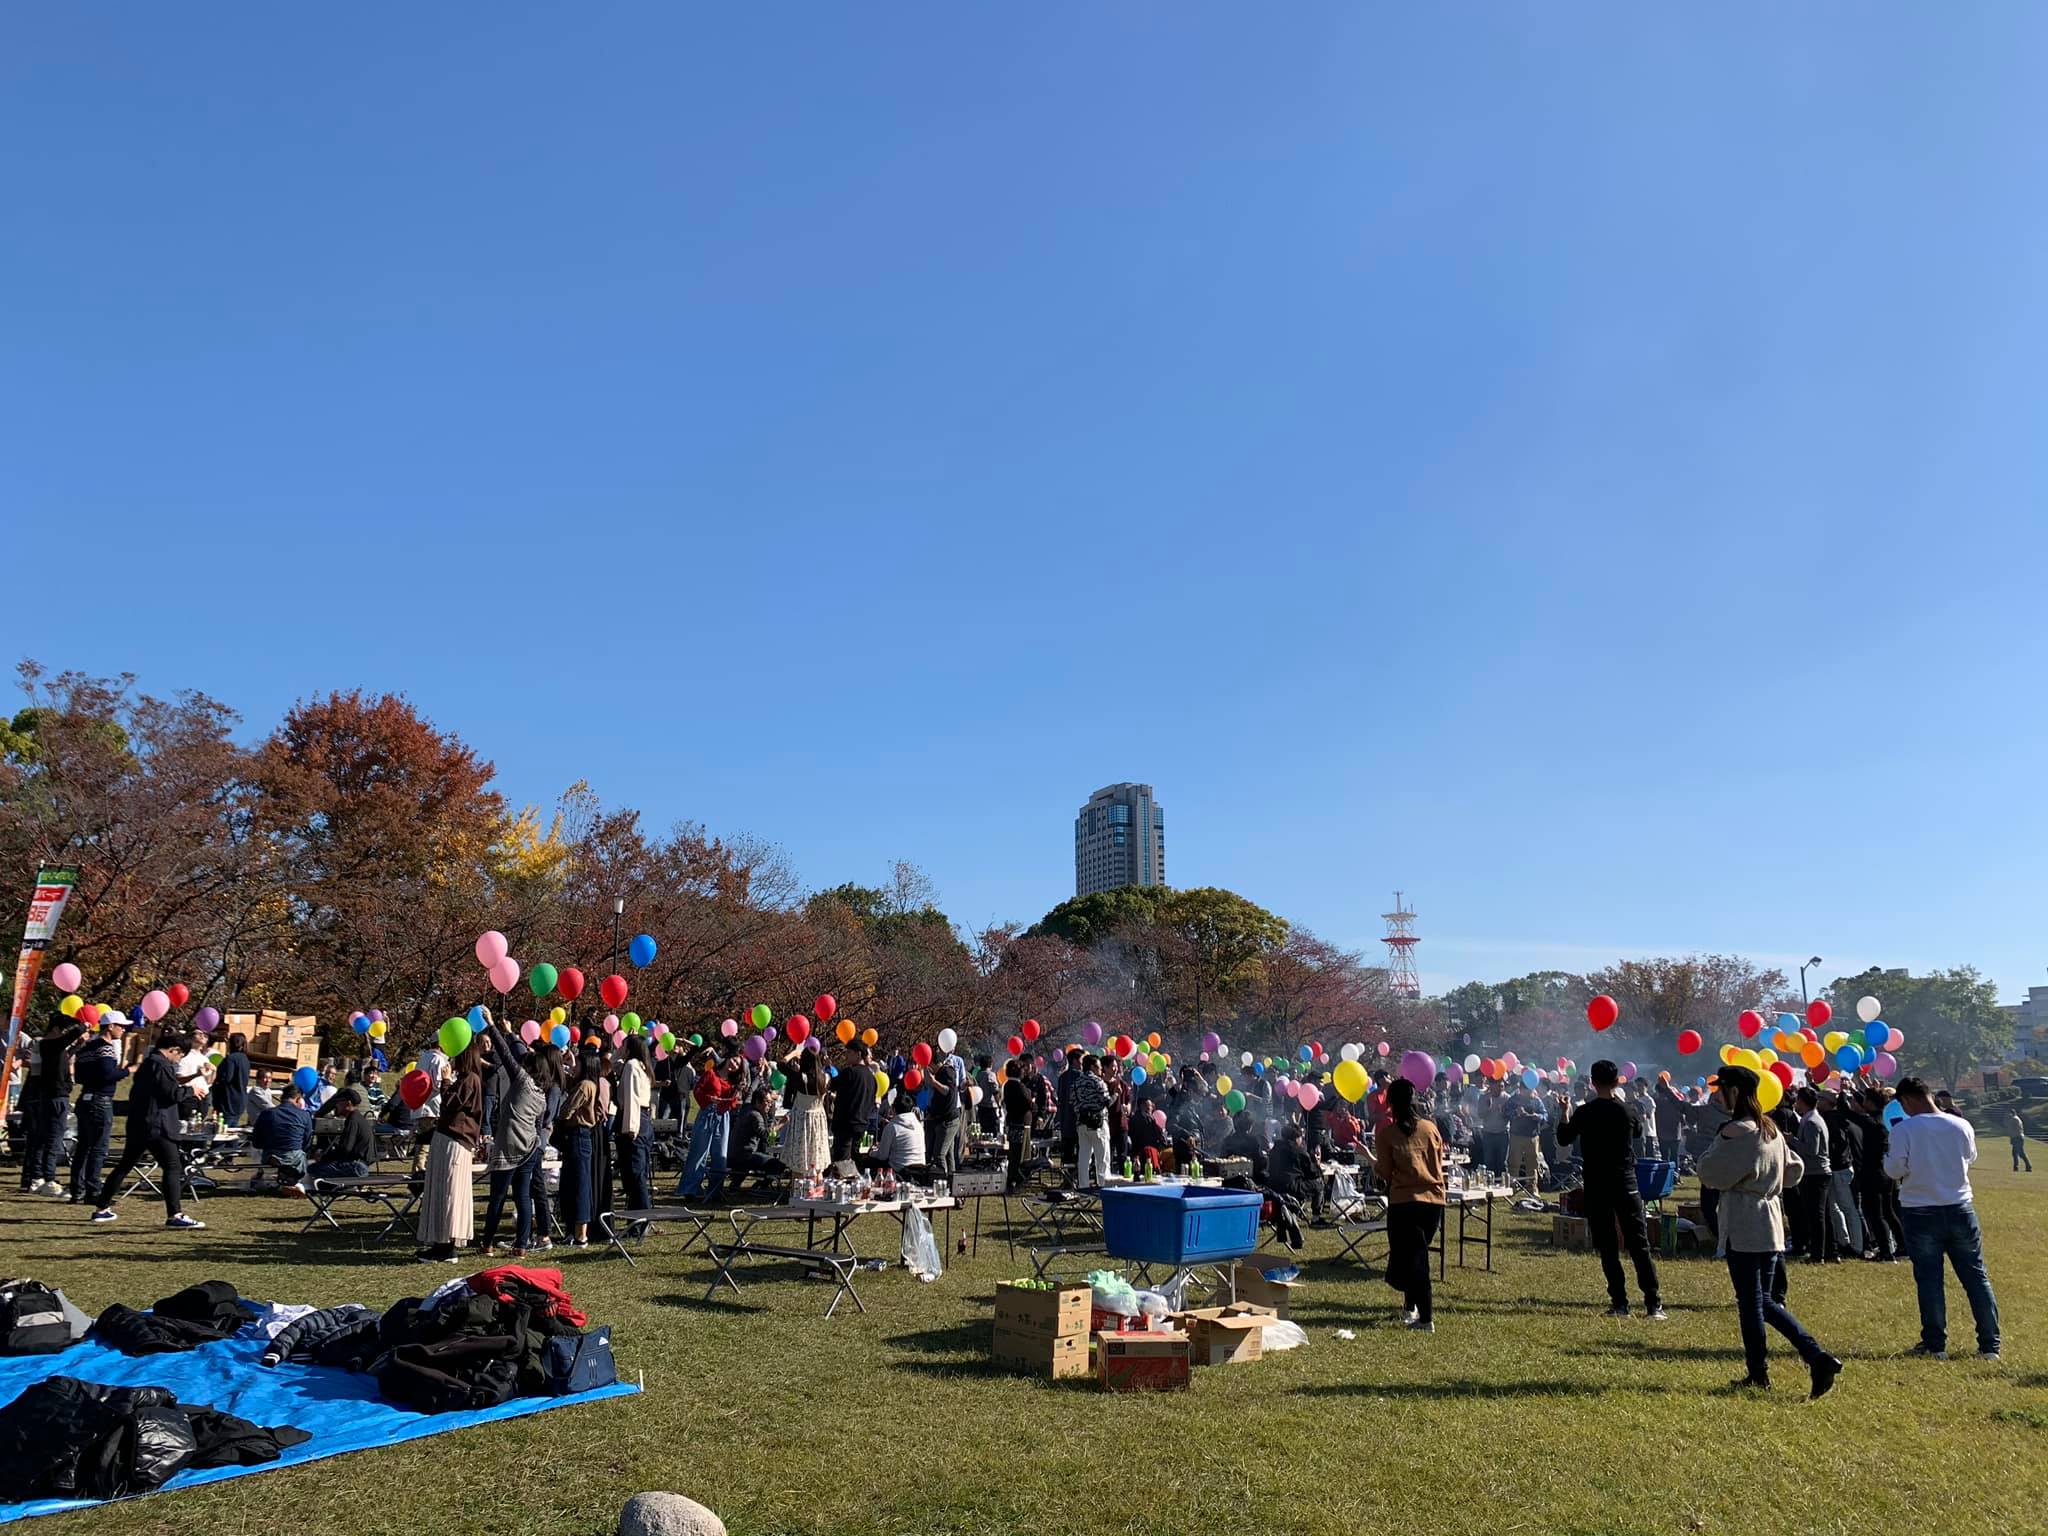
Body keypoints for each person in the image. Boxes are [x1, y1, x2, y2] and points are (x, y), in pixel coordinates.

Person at [1697, 1066, 1841, 1397]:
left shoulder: (1736, 1131)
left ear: (1735, 1092)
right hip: (1771, 1222)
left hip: (1746, 1223)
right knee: (1760, 1299)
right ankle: (1774, 1368)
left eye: (1722, 1089)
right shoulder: (1770, 1128)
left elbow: (1709, 1173)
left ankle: (1804, 1358)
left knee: (1754, 1302)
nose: (1718, 1095)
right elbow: (1794, 1171)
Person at [1884, 1076, 2000, 1361]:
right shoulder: (1961, 1124)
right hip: (1959, 1206)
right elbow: (1969, 1157)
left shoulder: (1905, 1130)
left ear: (1908, 1100)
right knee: (1975, 1277)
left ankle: (1936, 1344)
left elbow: (1895, 1169)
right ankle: (1990, 1344)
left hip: (1920, 1209)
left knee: (1929, 1280)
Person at [1555, 1061, 1665, 1320]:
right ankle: (1653, 1304)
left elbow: (1563, 1138)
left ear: (1593, 1083)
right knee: (1639, 1244)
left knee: (1608, 1246)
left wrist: (1565, 1111)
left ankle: (1620, 1304)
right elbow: (1638, 1133)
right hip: (1626, 1183)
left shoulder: (1586, 1112)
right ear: (1617, 1082)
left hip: (1597, 1184)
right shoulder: (1627, 1111)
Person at [90, 1033, 209, 1230]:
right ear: (174, 1050)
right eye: (179, 1056)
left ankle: (101, 1208)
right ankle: (175, 1215)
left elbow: (164, 1087)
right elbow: (171, 1094)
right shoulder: (161, 1064)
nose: (178, 1060)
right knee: (172, 1167)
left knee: (125, 1165)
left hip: (140, 1123)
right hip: (158, 1125)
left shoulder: (148, 1064)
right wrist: (191, 1091)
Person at [1373, 1078, 1446, 1332]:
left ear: (1391, 1103)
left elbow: (1384, 1171)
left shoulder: (1387, 1134)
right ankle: (1409, 1308)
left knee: (1414, 1261)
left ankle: (1426, 1319)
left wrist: (1371, 1161)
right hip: (1433, 1201)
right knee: (1415, 1255)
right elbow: (1438, 1161)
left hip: (1404, 1203)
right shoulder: (1430, 1128)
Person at [480, 1013, 553, 1258]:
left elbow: (507, 1055)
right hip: (530, 1147)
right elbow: (539, 1124)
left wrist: (492, 1026)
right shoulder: (542, 1097)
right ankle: (521, 1245)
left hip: (510, 1147)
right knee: (523, 1197)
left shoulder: (522, 1081)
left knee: (498, 1197)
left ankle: (487, 1242)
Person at [415, 1033, 483, 1263]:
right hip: (449, 1139)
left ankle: (446, 1245)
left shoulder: (469, 1079)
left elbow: (451, 1103)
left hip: (455, 1141)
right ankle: (439, 1242)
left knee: (449, 1193)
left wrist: (445, 1081)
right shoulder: (467, 1079)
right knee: (444, 1191)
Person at [19, 1018, 83, 1195]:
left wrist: (77, 1046)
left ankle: (37, 1177)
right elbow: (71, 1036)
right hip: (55, 1098)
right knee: (53, 1140)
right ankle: (49, 1178)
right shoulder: (49, 1045)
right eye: (64, 1032)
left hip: (51, 1097)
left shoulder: (53, 1049)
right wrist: (85, 1023)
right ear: (56, 1029)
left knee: (42, 1139)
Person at [68, 1019, 128, 1207]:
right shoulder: (106, 1048)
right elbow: (108, 1075)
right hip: (100, 1100)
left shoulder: (86, 1048)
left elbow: (78, 1076)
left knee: (83, 1147)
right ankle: (93, 1190)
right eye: (121, 1026)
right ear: (110, 1026)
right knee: (98, 1147)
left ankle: (77, 1190)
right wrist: (128, 1071)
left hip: (85, 1098)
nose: (123, 1030)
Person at [556, 1051, 606, 1247]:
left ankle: (580, 1233)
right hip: (579, 1136)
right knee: (570, 1183)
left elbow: (567, 1108)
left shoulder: (585, 1086)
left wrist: (560, 1119)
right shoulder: (587, 1084)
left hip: (579, 1134)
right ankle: (572, 1230)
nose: (574, 1067)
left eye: (578, 1064)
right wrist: (567, 1062)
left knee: (579, 1185)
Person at [678, 1050, 739, 1199]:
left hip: (723, 1116)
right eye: (734, 1061)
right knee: (699, 1152)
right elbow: (697, 1090)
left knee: (720, 1155)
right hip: (707, 1114)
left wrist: (729, 1102)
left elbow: (734, 1101)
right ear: (727, 1058)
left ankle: (716, 1191)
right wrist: (708, 1100)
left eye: (738, 1064)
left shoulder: (734, 1081)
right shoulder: (711, 1073)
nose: (735, 1065)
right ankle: (690, 1189)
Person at [1792, 1087, 1836, 1263]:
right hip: (1819, 1172)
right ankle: (1831, 1251)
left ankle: (1818, 1255)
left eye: (1798, 1101)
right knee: (1823, 1214)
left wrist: (1792, 1141)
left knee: (1816, 1215)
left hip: (1815, 1173)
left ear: (1803, 1102)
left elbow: (1811, 1149)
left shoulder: (1811, 1122)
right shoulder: (1812, 1118)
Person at [614, 1035, 654, 1217]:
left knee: (635, 1174)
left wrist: (630, 1128)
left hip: (634, 1119)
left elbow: (631, 1098)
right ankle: (636, 1216)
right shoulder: (643, 1066)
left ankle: (642, 1218)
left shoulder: (631, 1066)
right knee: (638, 1173)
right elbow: (613, 1064)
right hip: (644, 1120)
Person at [252, 1084, 317, 1192]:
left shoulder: (266, 1113)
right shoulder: (305, 1115)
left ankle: (278, 1175)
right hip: (294, 1157)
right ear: (298, 1099)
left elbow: (256, 1142)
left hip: (270, 1155)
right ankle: (289, 1179)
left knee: (258, 1152)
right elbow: (306, 1143)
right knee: (300, 1154)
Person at [778, 1046, 831, 1176]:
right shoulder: (826, 1077)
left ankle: (797, 1191)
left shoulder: (801, 1078)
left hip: (802, 1120)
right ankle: (817, 1191)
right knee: (816, 1160)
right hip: (818, 1120)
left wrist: (793, 1053)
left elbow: (780, 1064)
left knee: (799, 1161)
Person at [308, 1087, 375, 1183]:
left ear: (348, 1103)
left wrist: (324, 1157)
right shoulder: (358, 1118)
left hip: (356, 1167)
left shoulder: (352, 1120)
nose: (336, 1106)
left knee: (313, 1168)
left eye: (339, 1103)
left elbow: (345, 1149)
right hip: (361, 1165)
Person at [829, 1042, 877, 1169]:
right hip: (861, 1123)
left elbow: (831, 1085)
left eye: (849, 1053)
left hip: (845, 1124)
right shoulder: (871, 1077)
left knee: (842, 1164)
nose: (846, 1056)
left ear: (858, 1054)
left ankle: (843, 1186)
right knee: (855, 1160)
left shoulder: (849, 1073)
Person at [1069, 1054, 1113, 1189]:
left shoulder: (1076, 1083)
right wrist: (1116, 1094)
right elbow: (1107, 1102)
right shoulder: (1098, 1082)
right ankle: (1104, 1185)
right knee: (1102, 1157)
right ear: (1093, 1067)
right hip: (1098, 1123)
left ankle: (1083, 1185)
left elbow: (1072, 1102)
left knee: (1084, 1157)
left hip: (1082, 1123)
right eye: (1099, 1067)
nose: (1101, 1070)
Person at [923, 1047, 964, 1176]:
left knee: (939, 1154)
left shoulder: (947, 1072)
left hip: (949, 1120)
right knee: (949, 1154)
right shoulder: (940, 1072)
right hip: (942, 1118)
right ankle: (952, 1180)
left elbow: (948, 1091)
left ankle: (943, 1182)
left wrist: (934, 1082)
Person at [871, 1091, 926, 1175]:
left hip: (899, 1170)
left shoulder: (892, 1126)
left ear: (893, 1109)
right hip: (920, 1169)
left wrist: (871, 1152)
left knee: (870, 1162)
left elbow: (882, 1156)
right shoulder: (918, 1125)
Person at [1002, 1058, 1036, 1190]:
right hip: (1021, 1124)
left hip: (1012, 1122)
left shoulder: (1007, 1085)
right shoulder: (1019, 1087)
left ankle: (1012, 1178)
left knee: (1013, 1153)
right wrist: (1033, 1102)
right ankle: (1017, 1178)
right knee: (1021, 1154)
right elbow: (1029, 1104)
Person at [1506, 1083, 1545, 1192]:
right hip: (1516, 1135)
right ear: (1521, 1089)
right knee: (1514, 1162)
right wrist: (1516, 1113)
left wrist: (1538, 1117)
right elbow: (1506, 1113)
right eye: (1525, 1088)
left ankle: (1532, 1187)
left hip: (1532, 1136)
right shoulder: (1513, 1100)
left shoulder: (1536, 1101)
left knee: (1533, 1163)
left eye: (1529, 1088)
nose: (1527, 1091)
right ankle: (1512, 1187)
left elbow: (1544, 1114)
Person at [1219, 1110, 1270, 1185]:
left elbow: (1222, 1159)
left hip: (1228, 1181)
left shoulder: (1227, 1140)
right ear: (1250, 1126)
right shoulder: (1253, 1141)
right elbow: (1259, 1163)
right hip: (1248, 1182)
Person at [214, 1034, 251, 1126]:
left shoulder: (231, 1059)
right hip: (240, 1099)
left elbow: (227, 1078)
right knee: (232, 1130)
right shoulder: (245, 1059)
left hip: (229, 1099)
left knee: (223, 1131)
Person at [974, 1053, 999, 1137]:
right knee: (993, 1131)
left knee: (982, 1130)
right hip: (990, 1107)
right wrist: (999, 1105)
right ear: (990, 1064)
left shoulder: (978, 1075)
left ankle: (982, 1149)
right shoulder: (991, 1075)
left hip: (980, 1107)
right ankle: (992, 1149)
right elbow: (995, 1091)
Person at [2011, 1109, 2033, 1173]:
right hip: (2018, 1137)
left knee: (2021, 1153)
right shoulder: (2017, 1119)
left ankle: (2028, 1166)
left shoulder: (2014, 1119)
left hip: (2017, 1138)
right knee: (2015, 1153)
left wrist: (2013, 1138)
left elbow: (2014, 1130)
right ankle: (2016, 1167)